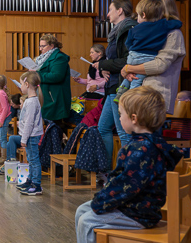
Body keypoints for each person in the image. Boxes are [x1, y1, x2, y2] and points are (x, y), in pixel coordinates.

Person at [75, 86, 183, 243]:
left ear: (134, 118)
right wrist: (101, 200)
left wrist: (101, 202)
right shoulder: (145, 143)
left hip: (138, 213)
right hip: (136, 206)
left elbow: (126, 186)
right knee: (82, 210)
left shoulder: (141, 150)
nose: (119, 119)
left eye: (121, 114)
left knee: (87, 221)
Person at [120, 0, 186, 115]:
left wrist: (129, 68)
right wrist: (130, 73)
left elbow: (159, 65)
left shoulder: (174, 33)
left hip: (156, 95)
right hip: (143, 94)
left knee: (148, 134)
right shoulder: (154, 32)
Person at [92, 0, 137, 177]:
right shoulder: (115, 32)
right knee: (103, 128)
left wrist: (104, 65)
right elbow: (112, 61)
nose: (107, 14)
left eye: (110, 10)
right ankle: (107, 171)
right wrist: (104, 67)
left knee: (124, 133)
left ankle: (126, 175)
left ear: (120, 11)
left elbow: (127, 61)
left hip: (121, 87)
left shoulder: (127, 30)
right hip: (112, 87)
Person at [34, 34, 71, 133]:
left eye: (43, 46)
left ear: (52, 46)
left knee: (55, 128)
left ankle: (58, 148)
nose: (40, 49)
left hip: (55, 97)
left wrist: (37, 74)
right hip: (45, 96)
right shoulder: (42, 58)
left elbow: (57, 76)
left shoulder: (59, 57)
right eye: (40, 46)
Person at [15, 71, 44, 196]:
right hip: (29, 135)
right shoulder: (30, 100)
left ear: (27, 84)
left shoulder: (32, 102)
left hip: (31, 136)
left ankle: (36, 185)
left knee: (33, 160)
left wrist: (24, 138)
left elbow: (30, 123)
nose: (20, 87)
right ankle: (30, 180)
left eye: (21, 84)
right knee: (31, 160)